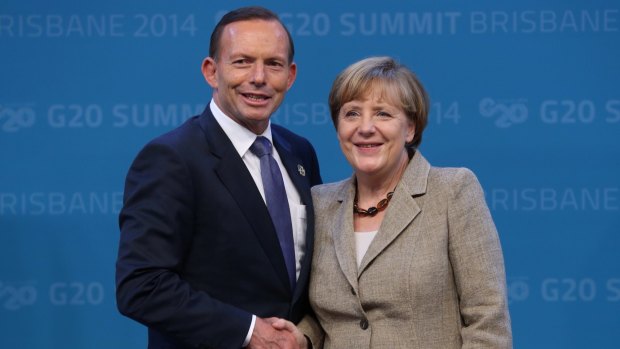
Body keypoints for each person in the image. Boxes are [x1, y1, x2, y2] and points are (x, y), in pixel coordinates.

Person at [115, 6, 322, 349]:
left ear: (291, 75)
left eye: (273, 63)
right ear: (211, 71)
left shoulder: (300, 152)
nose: (259, 77)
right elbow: (141, 284)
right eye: (242, 62)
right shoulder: (172, 158)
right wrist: (248, 330)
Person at [274, 56, 512, 348]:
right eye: (351, 114)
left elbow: (487, 324)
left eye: (383, 114)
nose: (365, 127)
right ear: (338, 128)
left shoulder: (453, 191)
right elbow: (328, 315)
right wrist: (303, 338)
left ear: (410, 128)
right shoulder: (319, 203)